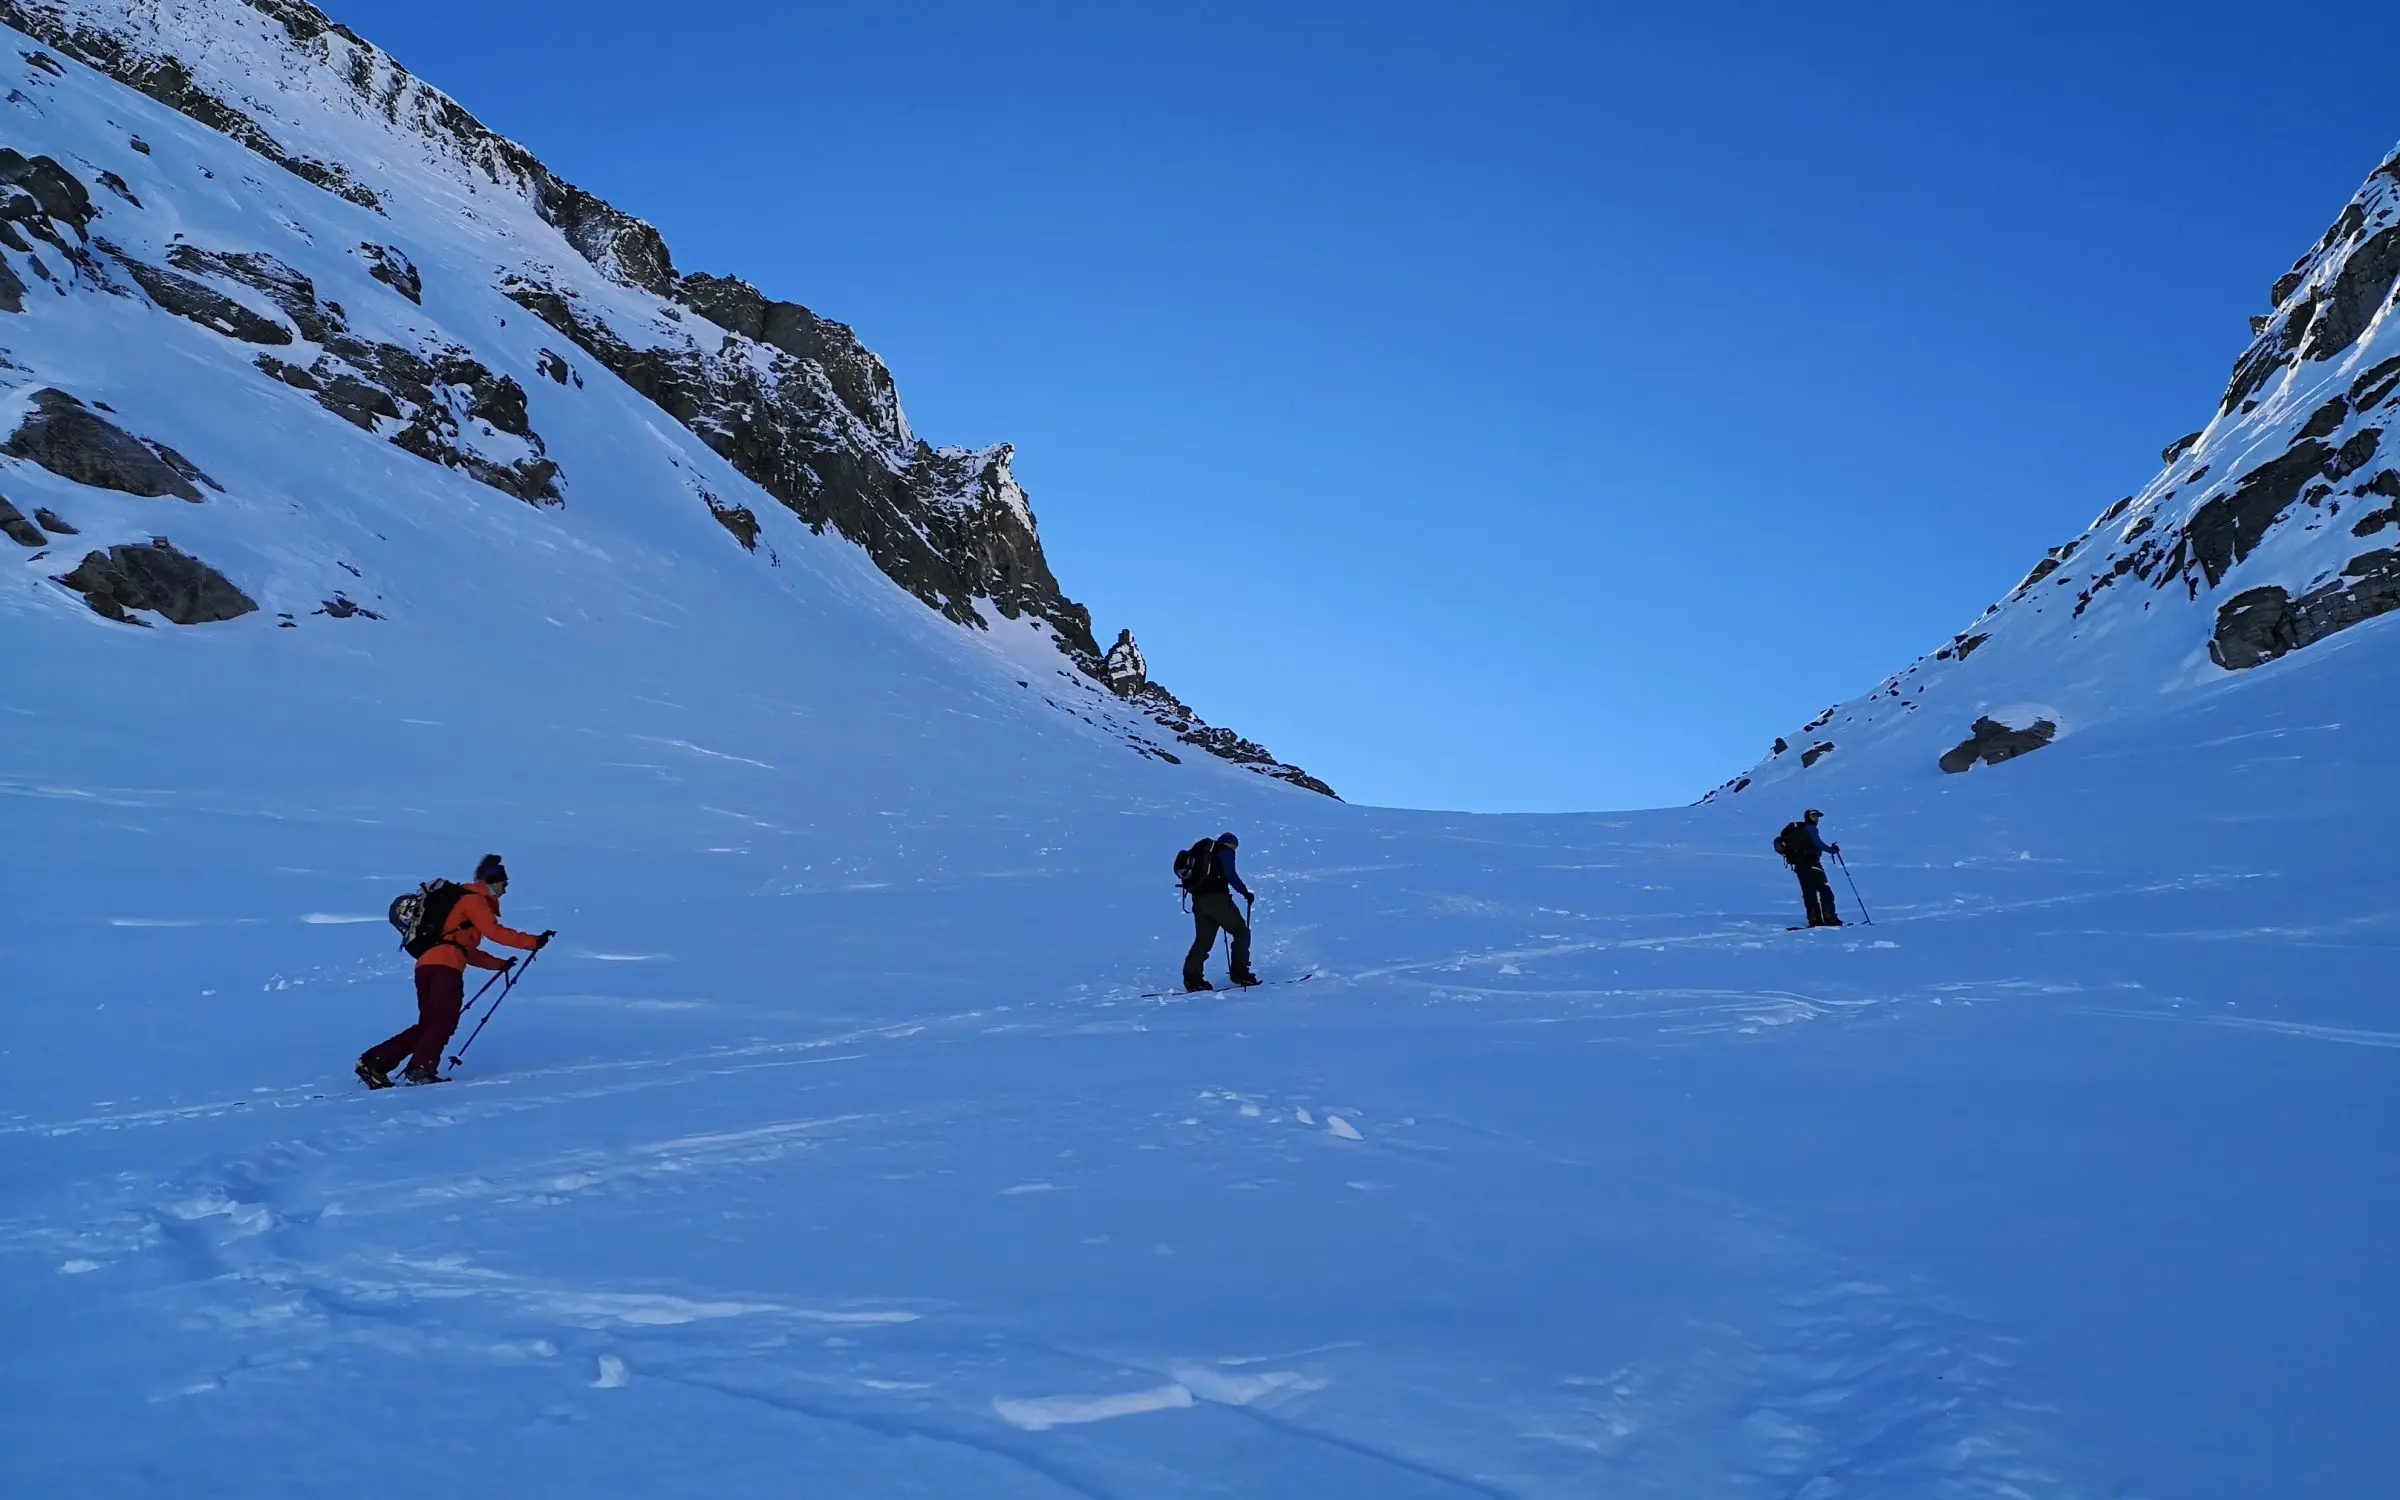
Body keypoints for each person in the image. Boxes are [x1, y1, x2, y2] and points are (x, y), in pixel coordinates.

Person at [358, 853, 550, 1087]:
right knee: (445, 1019)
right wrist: (533, 942)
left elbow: (465, 950)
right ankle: (420, 1069)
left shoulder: (458, 904)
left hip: (427, 966)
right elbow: (494, 932)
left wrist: (499, 964)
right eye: (504, 884)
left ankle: (375, 1062)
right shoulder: (473, 900)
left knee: (429, 1024)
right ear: (493, 882)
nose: (505, 890)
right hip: (445, 969)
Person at [1182, 832, 1259, 992]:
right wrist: (1245, 892)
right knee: (1240, 932)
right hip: (1218, 899)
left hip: (1199, 900)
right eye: (1235, 847)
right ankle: (1240, 972)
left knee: (1203, 940)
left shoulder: (1203, 853)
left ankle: (1192, 978)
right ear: (1231, 844)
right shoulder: (1224, 851)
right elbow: (1230, 874)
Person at [1778, 809, 1843, 927]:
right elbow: (1819, 844)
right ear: (1807, 817)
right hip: (1812, 863)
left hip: (1799, 865)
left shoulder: (1798, 830)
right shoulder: (1811, 828)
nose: (1816, 818)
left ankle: (1814, 919)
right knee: (1824, 889)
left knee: (1809, 892)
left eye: (1817, 816)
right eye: (1813, 816)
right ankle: (1829, 917)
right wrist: (1832, 850)